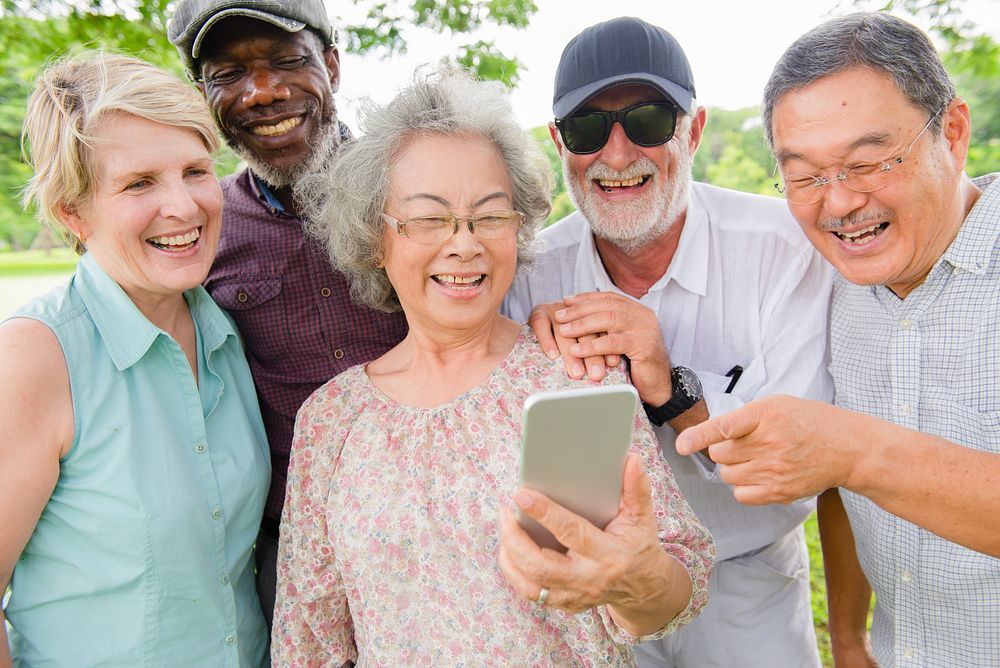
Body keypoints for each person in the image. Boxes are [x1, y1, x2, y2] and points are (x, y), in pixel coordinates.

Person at [271, 69, 714, 666]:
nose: (464, 243)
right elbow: (310, 639)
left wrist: (637, 579)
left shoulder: (576, 379)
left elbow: (678, 589)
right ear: (378, 238)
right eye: (429, 218)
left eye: (490, 216)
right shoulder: (331, 420)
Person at [503, 17, 834, 668]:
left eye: (650, 121)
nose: (618, 156)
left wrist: (668, 383)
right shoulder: (527, 272)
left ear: (696, 129)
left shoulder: (784, 251)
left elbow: (801, 478)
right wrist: (520, 357)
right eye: (588, 129)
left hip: (748, 580)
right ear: (558, 143)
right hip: (593, 585)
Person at [676, 12, 1000, 666]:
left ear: (954, 132)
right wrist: (848, 634)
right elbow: (839, 486)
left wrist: (855, 450)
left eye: (868, 162)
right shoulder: (834, 287)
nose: (840, 203)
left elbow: (846, 458)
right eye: (804, 175)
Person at [0, 53, 269, 666]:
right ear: (73, 211)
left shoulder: (225, 329)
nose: (183, 206)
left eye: (196, 171)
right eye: (139, 183)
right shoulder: (36, 355)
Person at [167, 0, 408, 625]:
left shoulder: (415, 186)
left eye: (287, 61)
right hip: (292, 551)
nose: (263, 92)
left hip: (441, 527)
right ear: (203, 93)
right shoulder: (199, 229)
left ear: (331, 64)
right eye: (228, 73)